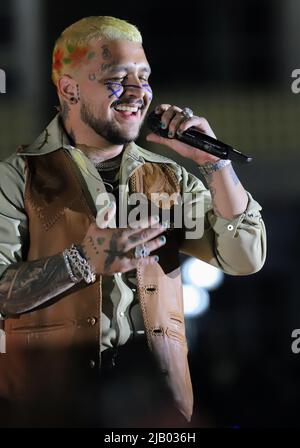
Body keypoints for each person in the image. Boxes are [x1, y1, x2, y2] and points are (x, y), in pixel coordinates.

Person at [0, 16, 266, 427]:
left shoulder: (171, 179)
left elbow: (245, 256)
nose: (137, 91)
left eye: (144, 76)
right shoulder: (18, 176)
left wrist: (214, 165)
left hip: (157, 410)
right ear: (69, 88)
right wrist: (82, 260)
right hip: (52, 408)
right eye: (117, 77)